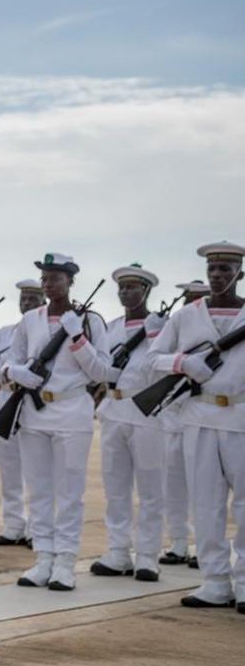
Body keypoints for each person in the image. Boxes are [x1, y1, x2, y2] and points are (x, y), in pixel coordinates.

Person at [5, 253, 113, 592]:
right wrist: (15, 372)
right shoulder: (30, 320)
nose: (49, 284)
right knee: (38, 489)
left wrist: (77, 339)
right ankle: (43, 558)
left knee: (69, 492)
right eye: (45, 279)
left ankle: (65, 561)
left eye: (55, 278)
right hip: (35, 413)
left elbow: (103, 373)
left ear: (70, 282)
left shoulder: (91, 321)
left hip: (71, 412)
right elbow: (9, 361)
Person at [150, 242, 243, 610]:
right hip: (200, 416)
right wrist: (182, 363)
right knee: (206, 503)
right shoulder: (186, 315)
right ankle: (215, 581)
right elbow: (152, 358)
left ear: (239, 273)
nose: (217, 275)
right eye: (213, 269)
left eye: (225, 268)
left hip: (241, 417)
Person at [91, 265, 170, 581]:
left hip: (145, 409)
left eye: (133, 288)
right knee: (116, 487)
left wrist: (154, 335)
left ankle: (148, 556)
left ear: (147, 291)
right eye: (122, 288)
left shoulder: (162, 328)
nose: (125, 293)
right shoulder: (110, 327)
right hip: (114, 408)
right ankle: (118, 551)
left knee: (150, 487)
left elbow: (161, 368)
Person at [0, 278, 45, 548]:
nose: (27, 303)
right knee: (9, 469)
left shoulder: (45, 331)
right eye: (23, 299)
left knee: (35, 470)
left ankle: (36, 527)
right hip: (7, 399)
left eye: (33, 299)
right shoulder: (4, 333)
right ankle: (13, 525)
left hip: (34, 402)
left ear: (42, 301)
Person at [161, 278, 209, 568]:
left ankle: (203, 548)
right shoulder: (175, 327)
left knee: (203, 489)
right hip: (172, 416)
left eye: (197, 298)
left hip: (201, 415)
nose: (191, 301)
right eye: (187, 297)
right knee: (174, 485)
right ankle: (178, 542)